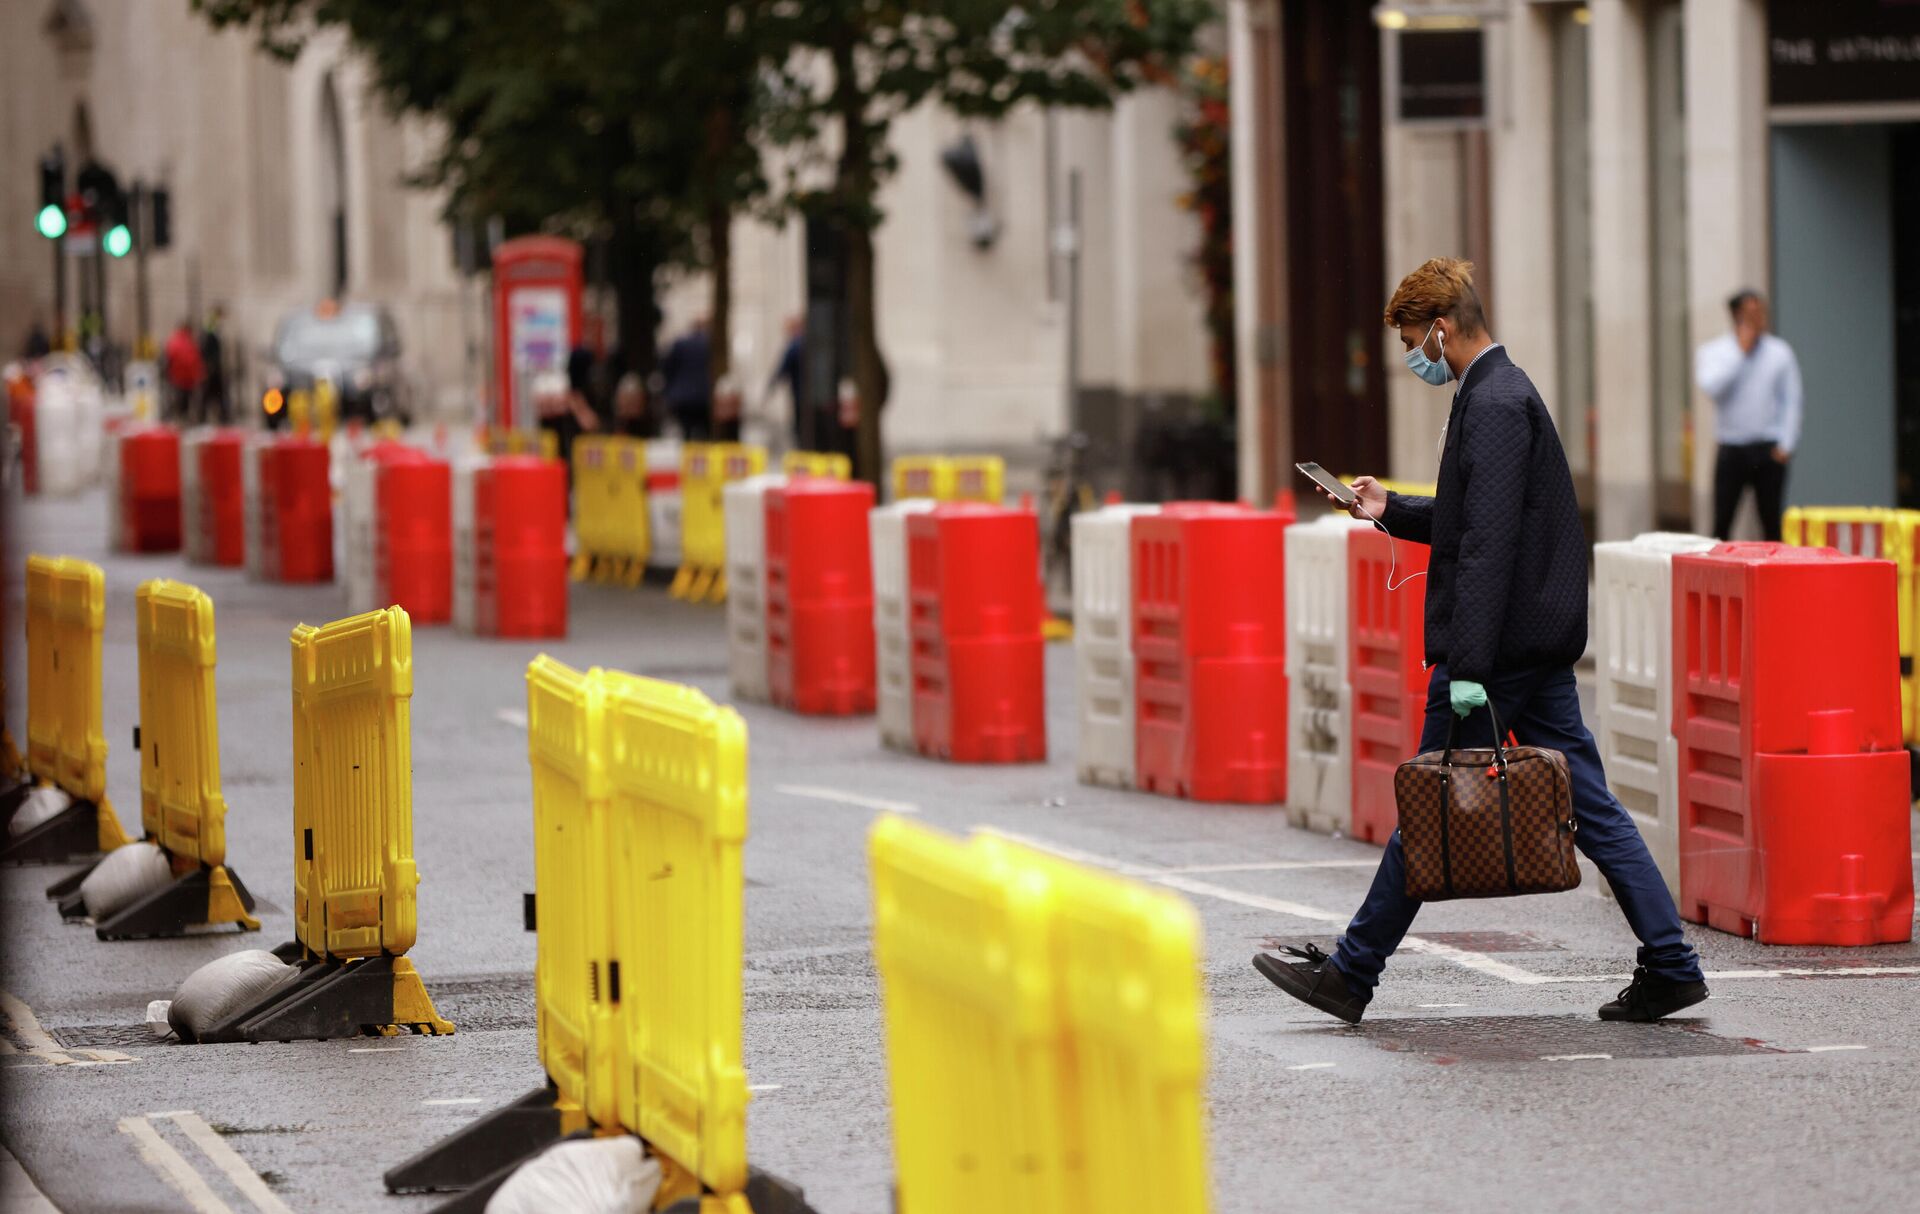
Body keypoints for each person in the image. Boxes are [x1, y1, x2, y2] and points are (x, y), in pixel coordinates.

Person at [1255, 257, 1707, 1025]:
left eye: (1412, 343)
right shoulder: (1499, 392)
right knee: (1591, 808)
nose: (1413, 360)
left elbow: (1489, 546)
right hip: (1529, 644)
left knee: (1429, 805)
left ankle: (1352, 973)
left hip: (1497, 655)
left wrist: (1466, 667)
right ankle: (1670, 962)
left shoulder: (1495, 403)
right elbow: (1473, 518)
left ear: (1440, 327)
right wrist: (1387, 507)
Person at [1695, 289, 1801, 542]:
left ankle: (1775, 577)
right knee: (1722, 521)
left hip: (1768, 449)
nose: (1757, 318)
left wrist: (1786, 444)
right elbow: (1711, 388)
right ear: (1735, 316)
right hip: (1732, 447)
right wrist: (1739, 353)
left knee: (1771, 523)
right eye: (1750, 313)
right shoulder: (1715, 352)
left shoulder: (1780, 352)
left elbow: (1792, 400)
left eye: (1760, 312)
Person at [659, 317, 713, 440]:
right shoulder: (710, 345)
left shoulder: (680, 343)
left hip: (682, 397)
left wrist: (669, 389)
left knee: (686, 432)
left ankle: (687, 455)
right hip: (703, 396)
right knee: (704, 433)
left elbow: (667, 367)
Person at [163, 319, 203, 423]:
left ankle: (179, 419)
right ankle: (183, 419)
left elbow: (169, 358)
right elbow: (196, 360)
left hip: (178, 377)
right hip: (187, 378)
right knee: (186, 402)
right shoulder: (190, 342)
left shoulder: (174, 341)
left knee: (179, 401)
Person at [198, 305, 228, 424]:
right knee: (213, 394)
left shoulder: (211, 326)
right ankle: (221, 417)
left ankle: (219, 416)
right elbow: (208, 347)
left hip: (213, 368)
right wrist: (210, 365)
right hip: (213, 368)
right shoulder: (211, 327)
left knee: (212, 394)